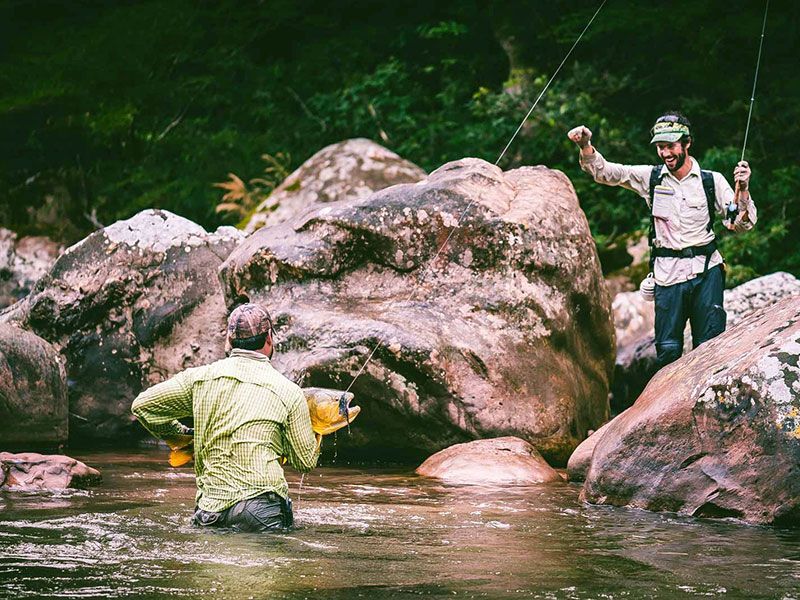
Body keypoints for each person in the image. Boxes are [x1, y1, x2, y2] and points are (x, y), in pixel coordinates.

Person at [567, 111, 757, 368]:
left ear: (687, 143)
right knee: (668, 353)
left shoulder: (712, 181)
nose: (665, 153)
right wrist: (585, 146)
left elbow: (740, 225)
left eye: (670, 146)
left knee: (711, 348)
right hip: (667, 277)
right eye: (660, 147)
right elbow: (606, 173)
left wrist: (743, 190)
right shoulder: (651, 178)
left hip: (706, 272)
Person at [131, 303, 319, 532]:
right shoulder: (289, 391)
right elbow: (305, 462)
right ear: (269, 338)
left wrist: (181, 434)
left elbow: (143, 406)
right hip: (261, 509)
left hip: (211, 510)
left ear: (229, 341)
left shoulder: (198, 378)